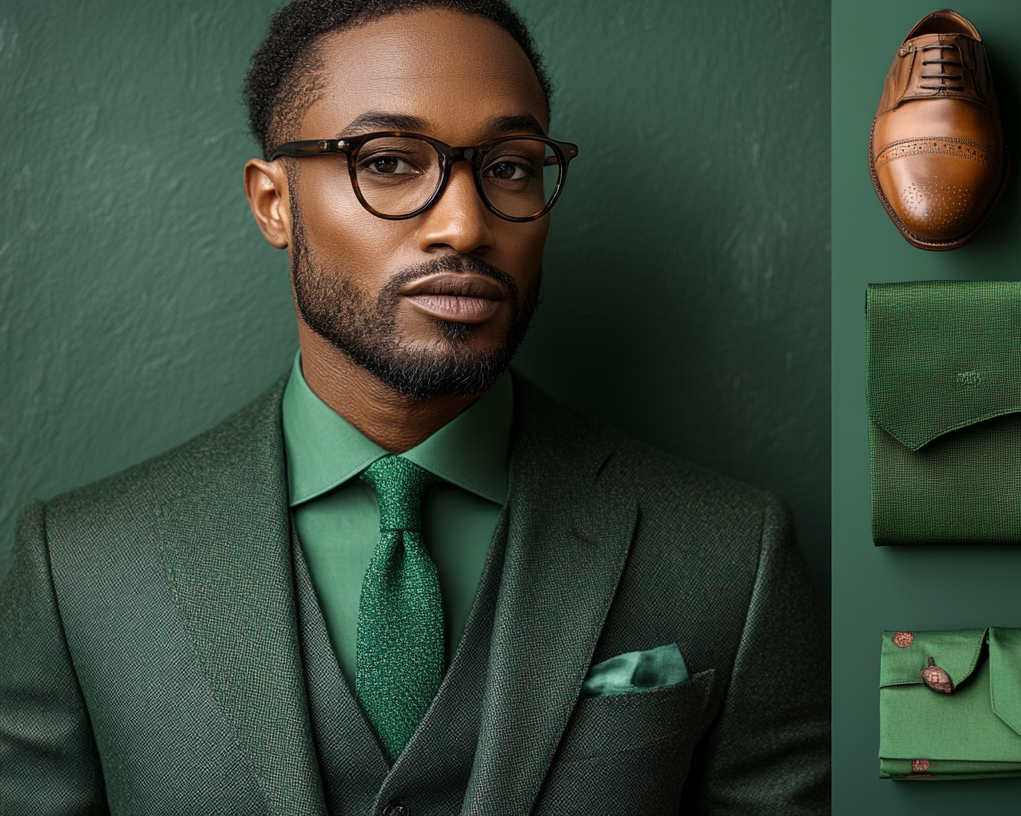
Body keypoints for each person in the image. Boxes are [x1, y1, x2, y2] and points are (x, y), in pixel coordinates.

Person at [0, 1, 829, 813]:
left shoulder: (730, 554)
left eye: (509, 165)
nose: (465, 226)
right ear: (273, 203)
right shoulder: (79, 569)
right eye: (389, 161)